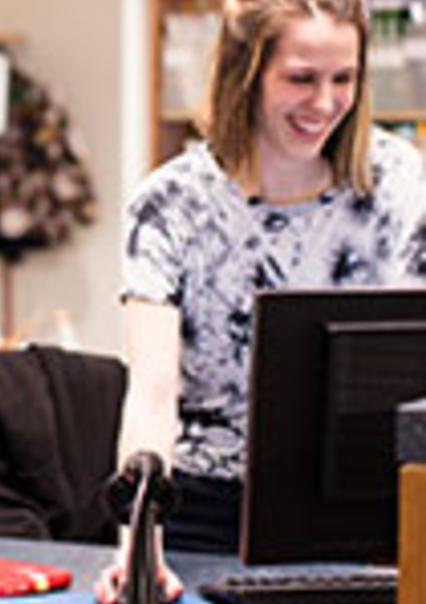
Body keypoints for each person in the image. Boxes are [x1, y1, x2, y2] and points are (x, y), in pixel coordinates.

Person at [96, 0, 426, 602]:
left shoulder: (403, 187)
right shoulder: (170, 205)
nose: (324, 103)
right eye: (301, 78)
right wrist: (139, 545)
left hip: (362, 511)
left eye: (343, 78)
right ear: (245, 73)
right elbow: (152, 393)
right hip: (205, 515)